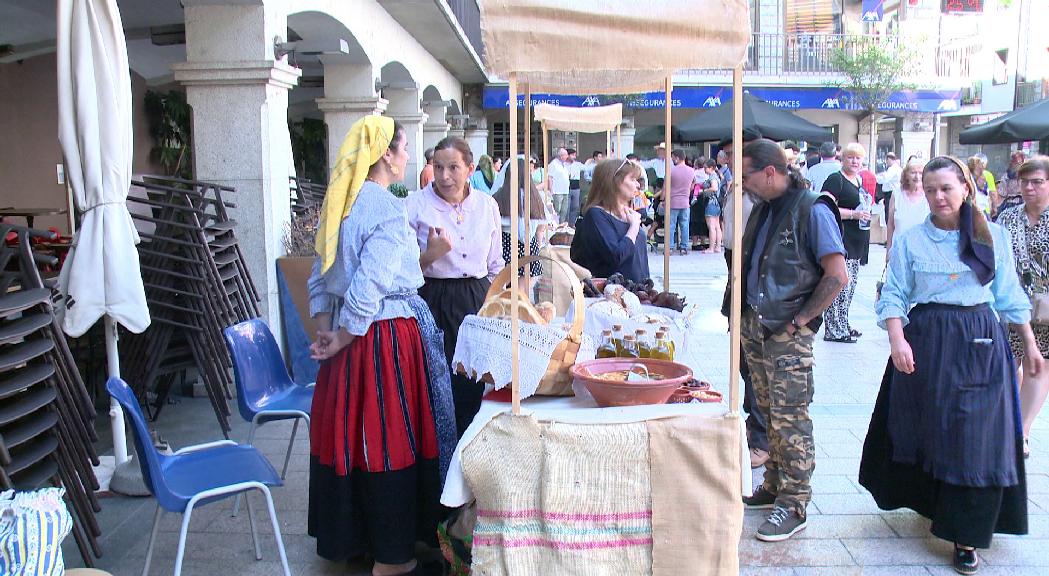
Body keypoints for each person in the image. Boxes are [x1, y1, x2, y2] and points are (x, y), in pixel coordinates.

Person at [861, 156, 1041, 574]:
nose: (938, 197)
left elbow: (1010, 295)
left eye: (945, 188)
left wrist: (1030, 345)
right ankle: (934, 505)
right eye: (929, 190)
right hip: (926, 340)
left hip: (979, 340)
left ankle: (966, 535)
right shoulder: (910, 241)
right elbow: (894, 295)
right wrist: (897, 338)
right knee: (932, 427)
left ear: (965, 187)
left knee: (976, 436)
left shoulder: (991, 235)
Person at [306, 116, 456, 574]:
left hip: (347, 344)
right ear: (386, 156)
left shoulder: (340, 204)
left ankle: (357, 541)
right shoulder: (386, 209)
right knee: (390, 438)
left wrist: (327, 334)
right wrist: (347, 332)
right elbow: (369, 288)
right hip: (384, 340)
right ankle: (393, 556)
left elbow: (319, 277)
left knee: (352, 439)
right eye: (404, 147)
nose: (411, 157)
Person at [738, 139, 847, 542]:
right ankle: (773, 485)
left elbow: (836, 275)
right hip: (759, 327)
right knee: (766, 412)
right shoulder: (765, 207)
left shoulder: (812, 207)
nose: (741, 182)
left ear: (769, 171)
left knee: (791, 419)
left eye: (746, 174)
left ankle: (795, 501)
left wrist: (800, 320)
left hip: (788, 333)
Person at [405, 136, 503, 438]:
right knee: (436, 384)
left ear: (470, 169)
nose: (444, 176)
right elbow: (400, 271)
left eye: (453, 167)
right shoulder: (415, 205)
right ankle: (436, 467)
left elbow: (496, 264)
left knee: (473, 384)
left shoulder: (487, 206)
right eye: (438, 167)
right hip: (431, 297)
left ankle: (468, 455)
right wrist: (431, 254)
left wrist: (496, 304)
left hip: (476, 298)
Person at [718, 131, 769, 469]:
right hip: (735, 271)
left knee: (756, 365)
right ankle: (755, 429)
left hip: (756, 277)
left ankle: (762, 438)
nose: (731, 160)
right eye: (729, 154)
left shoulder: (765, 192)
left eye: (737, 153)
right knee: (742, 359)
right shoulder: (737, 185)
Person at [994, 156, 1049, 459]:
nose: (1029, 188)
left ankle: (1021, 433)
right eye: (1024, 181)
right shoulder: (1008, 217)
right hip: (1010, 304)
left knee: (1038, 365)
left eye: (1037, 181)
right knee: (1006, 365)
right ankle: (1008, 420)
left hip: (1046, 308)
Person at [821, 143, 871, 343]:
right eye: (851, 158)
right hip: (841, 239)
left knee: (849, 288)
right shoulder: (836, 179)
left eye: (858, 158)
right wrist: (853, 214)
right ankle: (833, 328)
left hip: (857, 240)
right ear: (843, 159)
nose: (855, 162)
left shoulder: (858, 179)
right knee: (839, 285)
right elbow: (826, 206)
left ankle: (843, 323)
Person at [570, 158, 650, 282]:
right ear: (614, 181)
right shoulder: (596, 215)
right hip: (613, 294)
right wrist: (634, 226)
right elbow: (616, 256)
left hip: (640, 293)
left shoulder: (629, 214)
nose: (638, 184)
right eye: (632, 179)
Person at [491, 157, 547, 278]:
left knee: (504, 292)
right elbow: (540, 228)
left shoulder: (498, 197)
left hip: (506, 245)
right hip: (528, 246)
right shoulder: (534, 197)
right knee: (523, 292)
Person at [885, 158, 929, 253]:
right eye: (913, 172)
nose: (917, 177)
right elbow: (890, 225)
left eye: (921, 173)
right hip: (899, 251)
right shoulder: (897, 194)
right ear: (906, 175)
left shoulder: (930, 195)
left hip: (922, 252)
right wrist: (888, 250)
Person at [665, 149, 696, 256]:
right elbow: (693, 185)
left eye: (673, 157)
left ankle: (669, 248)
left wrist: (662, 200)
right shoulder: (691, 171)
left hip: (672, 201)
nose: (672, 159)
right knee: (684, 225)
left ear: (677, 158)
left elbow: (665, 187)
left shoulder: (671, 171)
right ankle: (684, 247)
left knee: (671, 226)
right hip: (685, 202)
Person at [997, 150, 1028, 218]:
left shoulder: (1028, 176)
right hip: (1010, 205)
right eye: (1014, 162)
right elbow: (1002, 193)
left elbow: (1002, 193)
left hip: (1023, 204)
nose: (1015, 165)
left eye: (1017, 162)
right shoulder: (1006, 176)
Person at [700, 159, 723, 253]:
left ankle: (711, 248)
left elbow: (714, 188)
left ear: (711, 168)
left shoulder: (712, 177)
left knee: (711, 226)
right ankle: (718, 247)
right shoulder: (717, 176)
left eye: (706, 168)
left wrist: (703, 191)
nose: (704, 170)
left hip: (711, 203)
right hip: (717, 204)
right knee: (717, 226)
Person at [548, 148, 571, 223]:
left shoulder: (564, 164)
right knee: (557, 210)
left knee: (564, 211)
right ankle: (555, 226)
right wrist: (551, 191)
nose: (567, 156)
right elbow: (549, 178)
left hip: (565, 191)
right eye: (566, 155)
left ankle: (561, 226)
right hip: (557, 191)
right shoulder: (553, 164)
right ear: (561, 156)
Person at [566, 148, 584, 225]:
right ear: (568, 155)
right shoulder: (563, 165)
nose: (574, 157)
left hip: (576, 187)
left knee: (575, 207)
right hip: (567, 188)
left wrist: (592, 161)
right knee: (567, 207)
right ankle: (565, 223)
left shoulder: (577, 164)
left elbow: (586, 168)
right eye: (573, 155)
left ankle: (572, 224)